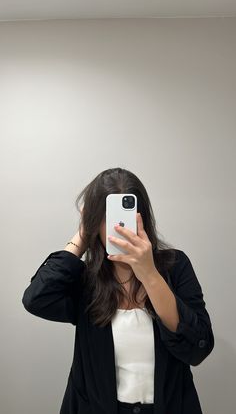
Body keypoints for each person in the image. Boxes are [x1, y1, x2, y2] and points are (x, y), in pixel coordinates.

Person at [22, 167, 214, 414]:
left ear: (143, 218)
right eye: (107, 218)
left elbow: (198, 348)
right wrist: (82, 235)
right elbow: (36, 299)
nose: (118, 227)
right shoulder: (85, 279)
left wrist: (150, 274)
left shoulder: (175, 267)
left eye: (127, 217)